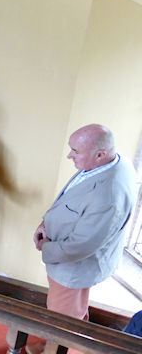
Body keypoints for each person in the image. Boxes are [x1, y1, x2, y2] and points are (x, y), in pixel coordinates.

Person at [32, 125, 135, 319]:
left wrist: (46, 247)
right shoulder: (109, 162)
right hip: (65, 255)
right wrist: (46, 223)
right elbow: (73, 195)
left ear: (99, 154)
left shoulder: (108, 196)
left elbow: (79, 246)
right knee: (74, 309)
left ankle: (57, 348)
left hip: (72, 266)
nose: (69, 156)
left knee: (62, 318)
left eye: (75, 151)